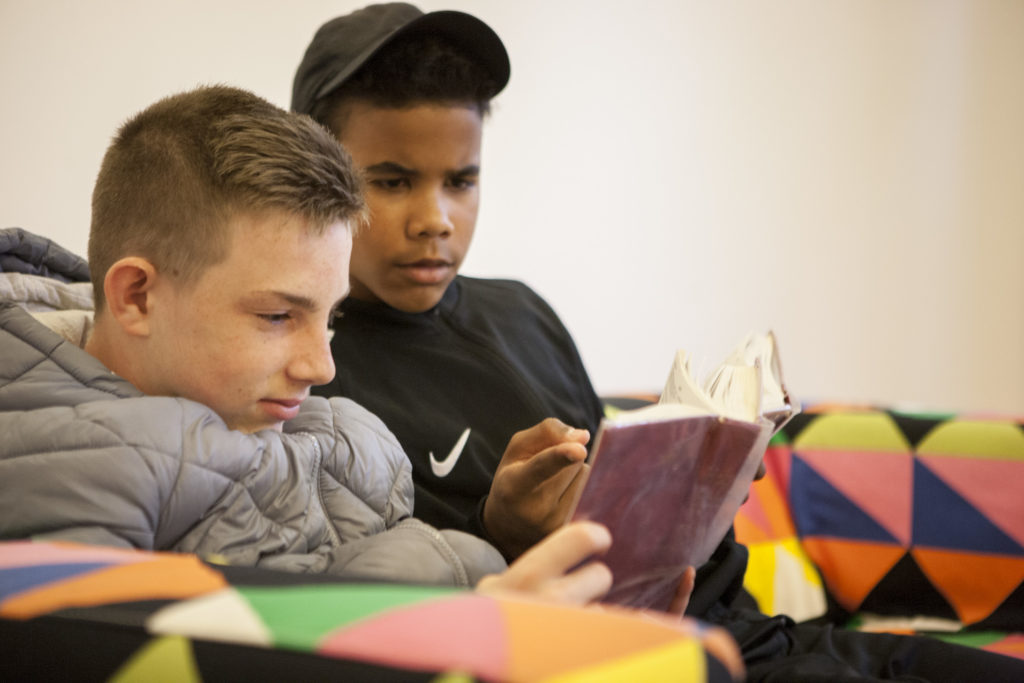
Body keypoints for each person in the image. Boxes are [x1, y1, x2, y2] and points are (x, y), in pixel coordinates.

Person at [293, 5, 1024, 681]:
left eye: (462, 179)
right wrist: (503, 528)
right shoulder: (308, 369)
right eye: (390, 181)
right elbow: (409, 607)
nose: (435, 218)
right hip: (642, 660)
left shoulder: (521, 312)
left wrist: (710, 481)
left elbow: (625, 508)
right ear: (320, 173)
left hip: (755, 633)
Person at [0, 84, 640, 608]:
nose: (322, 366)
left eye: (329, 317)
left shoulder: (340, 437)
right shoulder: (60, 470)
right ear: (137, 297)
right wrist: (494, 642)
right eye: (278, 315)